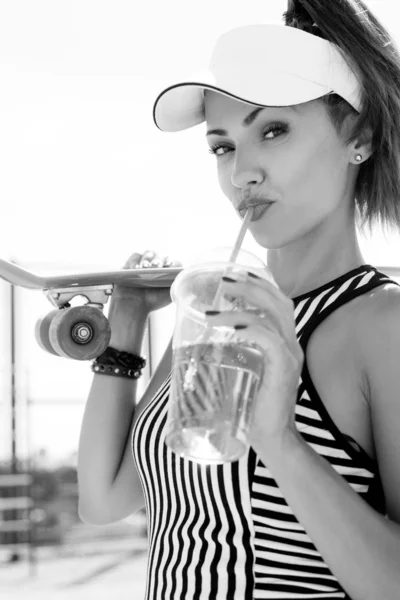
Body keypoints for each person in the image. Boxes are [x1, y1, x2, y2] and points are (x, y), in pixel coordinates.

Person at [77, 1, 400, 598]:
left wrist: (279, 440)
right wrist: (124, 338)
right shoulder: (217, 309)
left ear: (360, 137)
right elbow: (105, 499)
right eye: (223, 147)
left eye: (272, 130)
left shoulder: (384, 325)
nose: (241, 173)